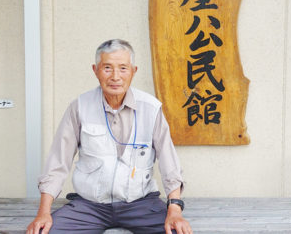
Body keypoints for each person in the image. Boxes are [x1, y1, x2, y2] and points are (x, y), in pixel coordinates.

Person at [26, 39, 192, 234]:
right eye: (107, 68)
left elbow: (169, 163)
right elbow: (57, 163)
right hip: (90, 206)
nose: (115, 76)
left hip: (140, 204)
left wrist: (174, 209)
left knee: (175, 232)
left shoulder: (151, 108)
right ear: (95, 70)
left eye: (123, 68)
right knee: (43, 232)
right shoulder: (80, 106)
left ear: (133, 71)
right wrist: (43, 212)